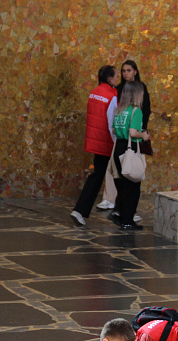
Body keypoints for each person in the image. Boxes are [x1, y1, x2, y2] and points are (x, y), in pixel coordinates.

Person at [70, 65, 119, 227]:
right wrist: (116, 141)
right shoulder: (111, 95)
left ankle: (80, 210)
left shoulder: (94, 93)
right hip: (107, 142)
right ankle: (125, 212)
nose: (118, 78)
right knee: (121, 176)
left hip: (96, 141)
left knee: (96, 176)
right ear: (110, 79)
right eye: (116, 76)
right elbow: (112, 121)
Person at [111, 60, 150, 224]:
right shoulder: (136, 111)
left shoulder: (119, 110)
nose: (126, 73)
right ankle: (127, 219)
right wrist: (143, 136)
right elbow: (133, 132)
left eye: (128, 70)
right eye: (123, 71)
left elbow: (114, 129)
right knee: (132, 186)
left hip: (118, 146)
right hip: (130, 146)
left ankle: (121, 214)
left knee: (123, 183)